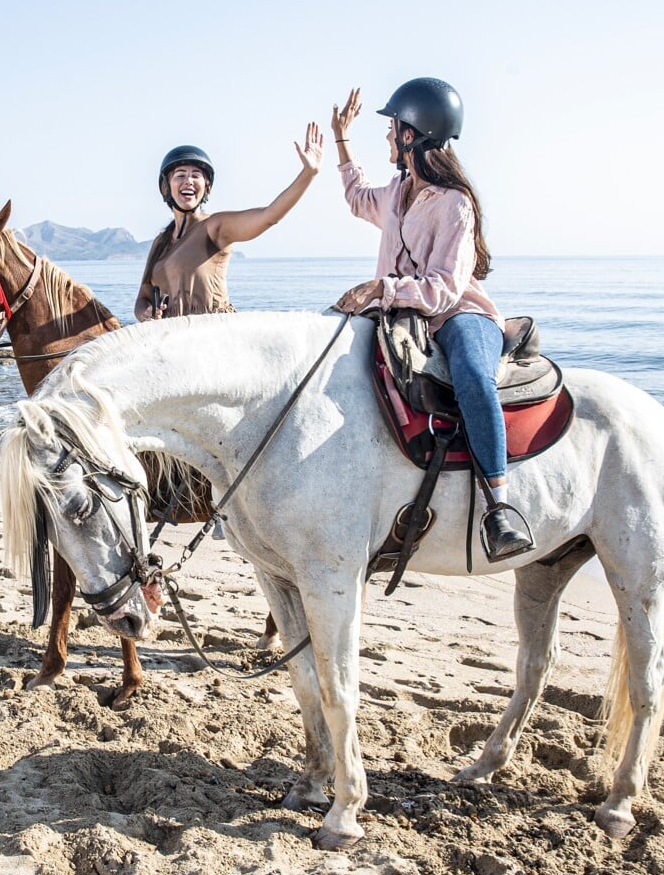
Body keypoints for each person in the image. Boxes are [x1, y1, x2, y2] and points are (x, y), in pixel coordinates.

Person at [328, 77, 534, 561]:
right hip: (403, 314)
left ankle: (499, 509)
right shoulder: (398, 193)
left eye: (392, 128)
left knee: (471, 379)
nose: (386, 137)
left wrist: (384, 288)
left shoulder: (454, 203)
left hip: (457, 316)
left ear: (411, 135)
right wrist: (341, 140)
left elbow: (443, 289)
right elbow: (358, 197)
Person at [135, 126, 323, 321]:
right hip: (170, 338)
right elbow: (143, 297)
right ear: (166, 186)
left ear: (206, 187)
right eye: (180, 175)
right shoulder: (161, 242)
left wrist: (308, 174)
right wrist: (147, 314)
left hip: (215, 335)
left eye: (196, 175)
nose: (188, 181)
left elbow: (269, 215)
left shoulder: (214, 227)